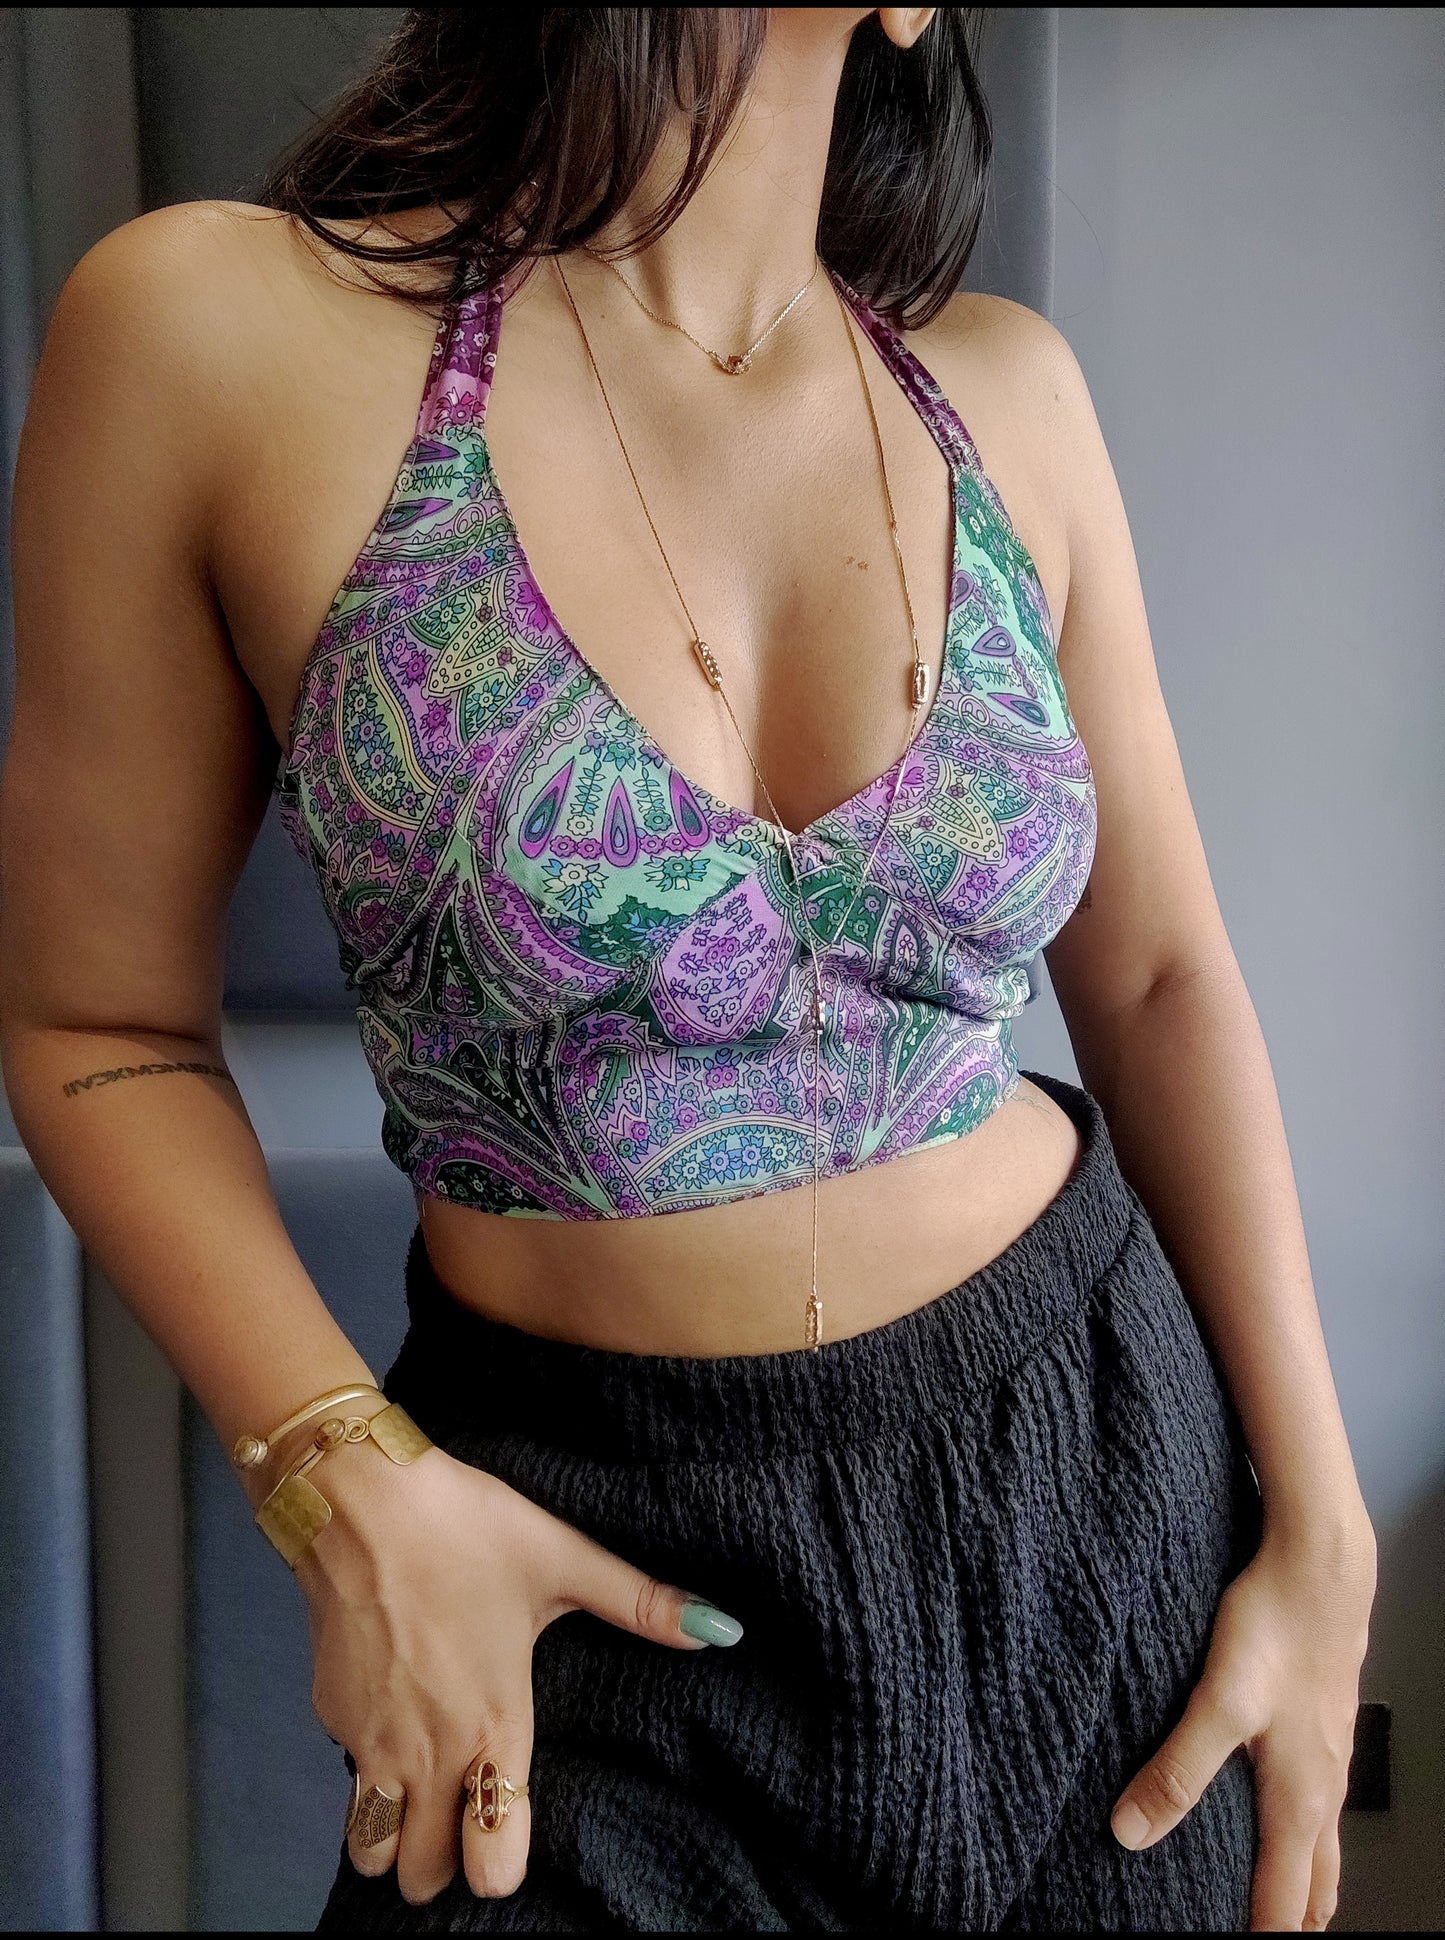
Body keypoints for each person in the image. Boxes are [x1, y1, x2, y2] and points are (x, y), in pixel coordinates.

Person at [0, 7, 1374, 1932]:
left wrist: (1322, 1526)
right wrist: (342, 1478)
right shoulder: (212, 329)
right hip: (582, 1555)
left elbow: (1153, 982)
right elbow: (97, 1021)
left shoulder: (1007, 395)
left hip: (1096, 1502)